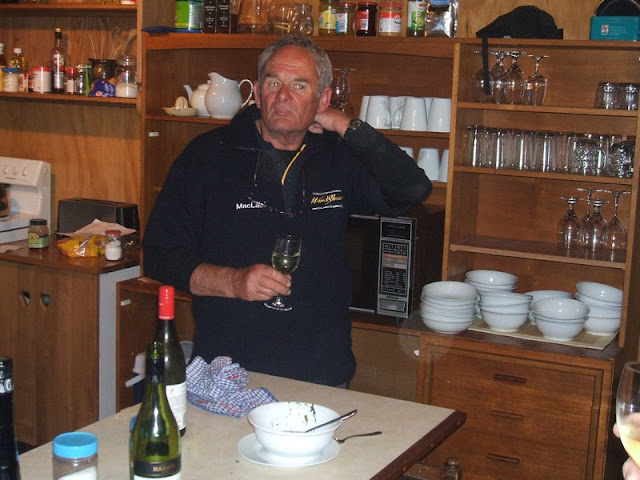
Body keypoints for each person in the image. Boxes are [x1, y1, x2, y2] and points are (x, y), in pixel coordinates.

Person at [142, 34, 432, 387]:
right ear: (257, 91)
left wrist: (343, 124)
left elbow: (412, 188)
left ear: (322, 99)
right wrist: (233, 282)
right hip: (229, 372)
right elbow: (159, 256)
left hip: (322, 372)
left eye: (300, 85)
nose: (283, 95)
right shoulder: (207, 155)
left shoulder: (338, 156)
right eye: (273, 82)